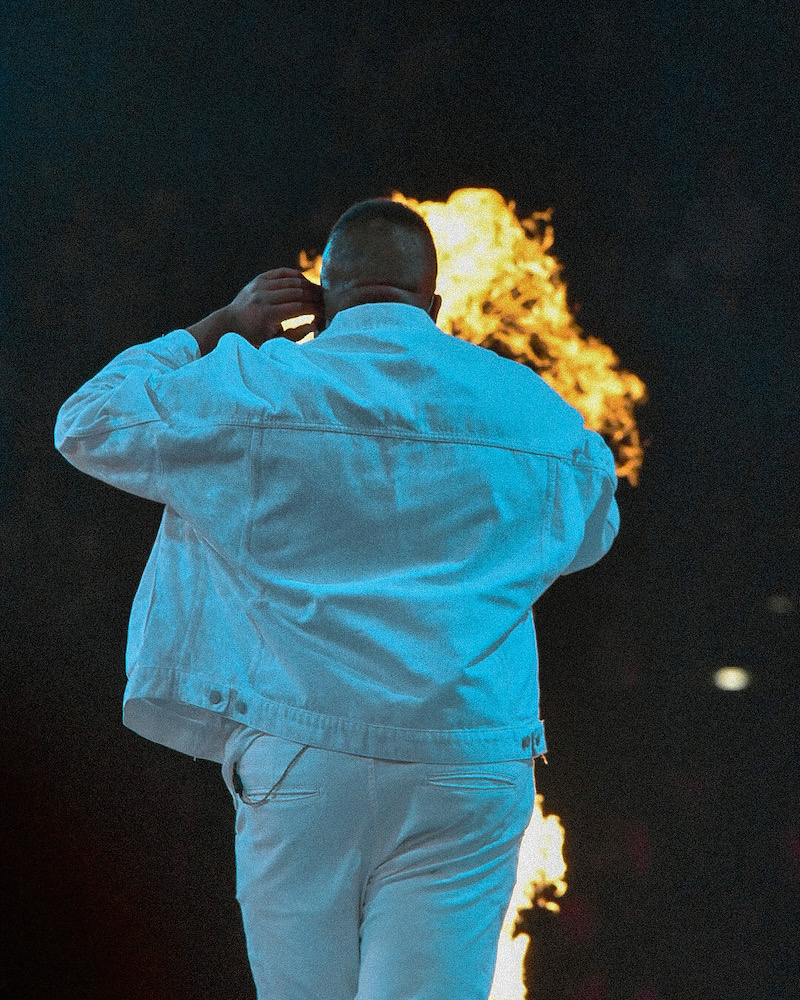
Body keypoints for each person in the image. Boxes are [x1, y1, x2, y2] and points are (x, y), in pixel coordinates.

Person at [54, 199, 619, 1000]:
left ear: (319, 298)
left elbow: (89, 422)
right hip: (467, 758)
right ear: (433, 305)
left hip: (304, 752)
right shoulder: (523, 406)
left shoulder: (259, 386)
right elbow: (595, 524)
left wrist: (222, 323)